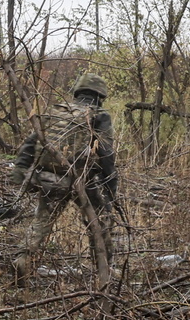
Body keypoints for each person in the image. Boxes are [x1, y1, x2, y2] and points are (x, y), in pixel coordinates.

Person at [12, 73, 119, 280]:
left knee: (42, 221)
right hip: (83, 180)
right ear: (100, 96)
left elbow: (31, 141)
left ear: (78, 91)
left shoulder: (56, 111)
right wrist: (110, 189)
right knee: (99, 222)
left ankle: (23, 259)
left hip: (51, 178)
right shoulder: (99, 115)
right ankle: (104, 270)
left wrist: (20, 171)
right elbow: (106, 153)